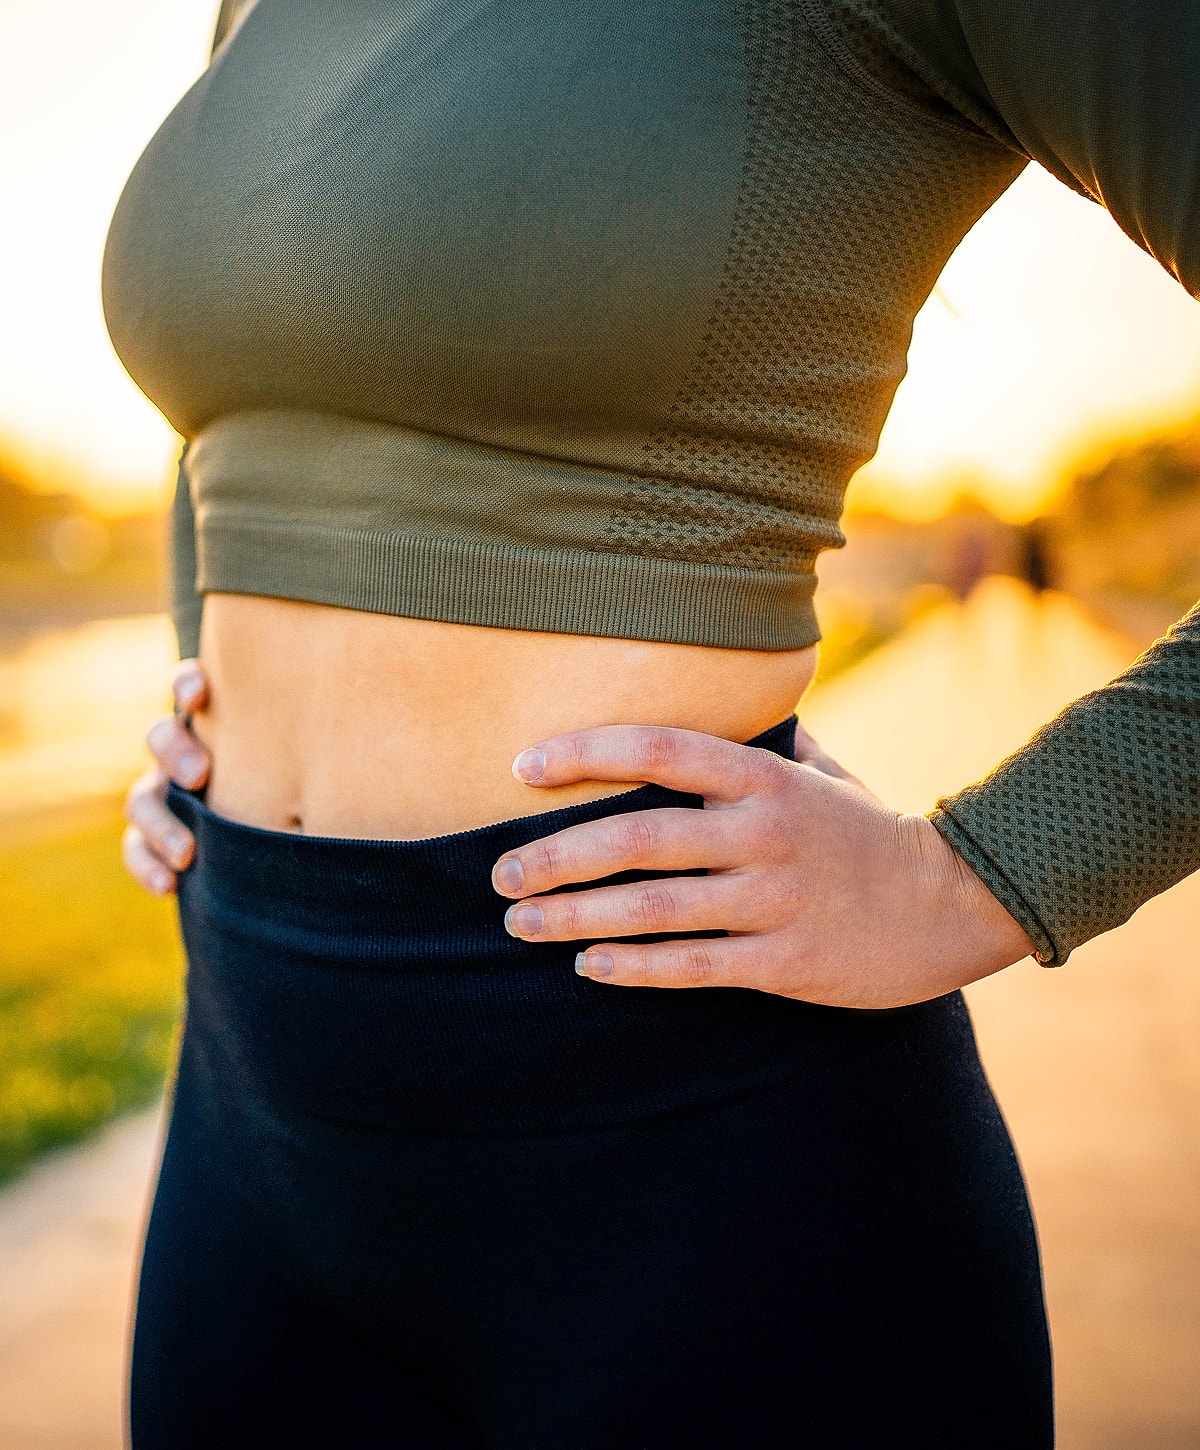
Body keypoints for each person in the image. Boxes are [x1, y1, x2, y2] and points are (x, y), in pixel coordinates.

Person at [109, 0, 1200, 1443]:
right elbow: (236, 396)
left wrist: (987, 871)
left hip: (694, 1134)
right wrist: (207, 688)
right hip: (251, 1084)